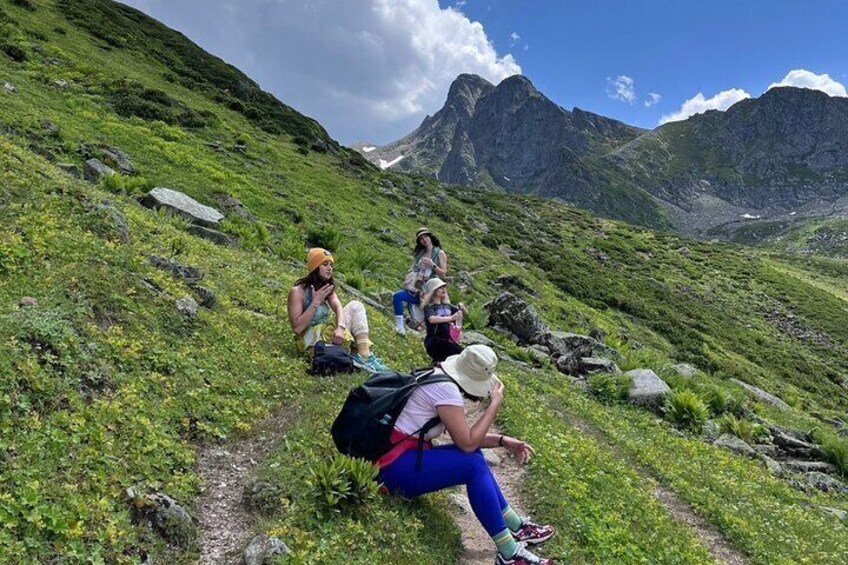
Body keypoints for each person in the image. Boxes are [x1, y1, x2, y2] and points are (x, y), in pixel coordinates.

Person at [378, 345, 555, 565]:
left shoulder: (437, 377)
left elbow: (464, 438)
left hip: (394, 458)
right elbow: (467, 444)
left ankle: (516, 526)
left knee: (474, 458)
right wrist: (495, 405)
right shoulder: (446, 391)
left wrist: (502, 440)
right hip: (390, 469)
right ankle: (510, 554)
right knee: (471, 463)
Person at [287, 247, 388, 372]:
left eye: (331, 265)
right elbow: (297, 328)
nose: (330, 268)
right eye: (325, 264)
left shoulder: (326, 288)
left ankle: (364, 356)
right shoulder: (297, 291)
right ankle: (357, 356)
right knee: (343, 316)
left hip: (325, 336)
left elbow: (338, 307)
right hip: (310, 343)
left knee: (355, 306)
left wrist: (340, 327)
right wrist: (315, 302)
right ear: (314, 267)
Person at [393, 227, 448, 334]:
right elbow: (413, 269)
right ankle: (400, 327)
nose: (424, 239)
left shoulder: (440, 253)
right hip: (418, 288)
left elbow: (444, 274)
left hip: (432, 291)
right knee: (397, 296)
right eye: (421, 238)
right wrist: (417, 269)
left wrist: (432, 265)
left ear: (430, 237)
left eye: (425, 236)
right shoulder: (420, 254)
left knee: (432, 317)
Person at [420, 277, 465, 363]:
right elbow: (432, 319)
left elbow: (461, 313)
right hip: (435, 341)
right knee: (461, 354)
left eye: (444, 287)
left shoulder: (448, 306)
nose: (443, 289)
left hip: (447, 340)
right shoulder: (429, 307)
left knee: (456, 355)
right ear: (433, 291)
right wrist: (451, 318)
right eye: (440, 287)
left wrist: (462, 309)